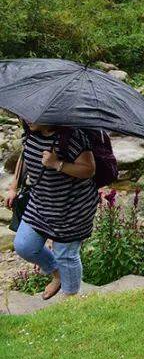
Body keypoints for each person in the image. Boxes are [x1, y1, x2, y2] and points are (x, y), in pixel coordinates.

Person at [6, 123, 97, 300]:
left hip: (72, 208)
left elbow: (89, 169)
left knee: (66, 255)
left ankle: (71, 298)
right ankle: (58, 274)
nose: (29, 119)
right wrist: (13, 186)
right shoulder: (32, 132)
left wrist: (57, 163)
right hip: (41, 202)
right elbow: (24, 156)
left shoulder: (72, 137)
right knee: (25, 246)